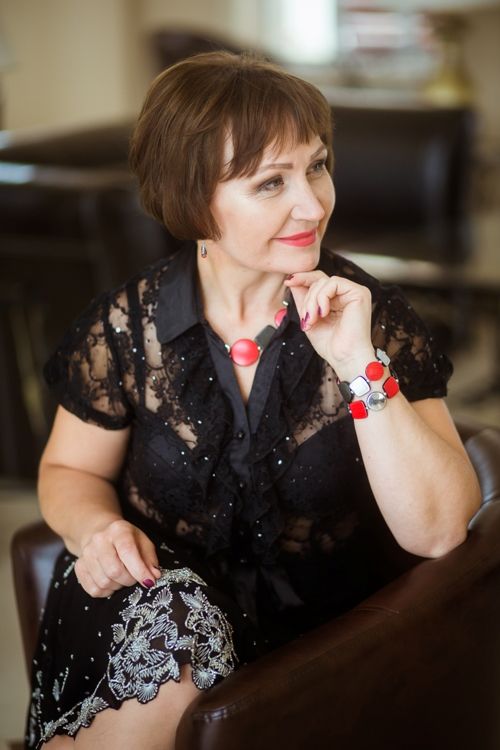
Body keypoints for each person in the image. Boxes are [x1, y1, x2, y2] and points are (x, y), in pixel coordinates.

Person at [27, 51, 481, 750]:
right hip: (150, 620)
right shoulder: (126, 326)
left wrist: (356, 361)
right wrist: (96, 530)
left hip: (322, 653)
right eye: (272, 182)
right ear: (193, 198)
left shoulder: (374, 317)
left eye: (317, 166)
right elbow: (68, 470)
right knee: (172, 628)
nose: (314, 204)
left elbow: (441, 531)